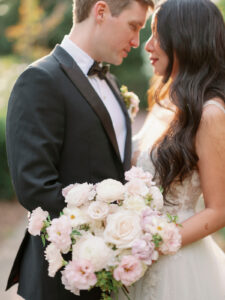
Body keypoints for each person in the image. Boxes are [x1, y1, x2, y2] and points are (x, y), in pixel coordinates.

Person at [5, 0, 153, 299]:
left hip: (111, 273)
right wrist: (110, 226)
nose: (137, 41)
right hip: (61, 278)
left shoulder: (110, 81)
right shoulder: (39, 80)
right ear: (100, 12)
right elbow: (35, 188)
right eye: (133, 26)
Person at [119, 0, 225, 299]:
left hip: (177, 266)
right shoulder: (165, 98)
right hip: (137, 257)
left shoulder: (210, 114)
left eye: (156, 35)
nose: (148, 46)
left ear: (185, 38)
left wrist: (151, 244)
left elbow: (219, 211)